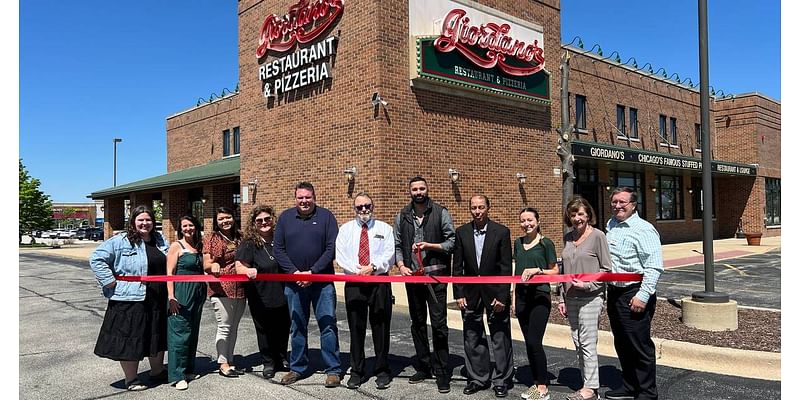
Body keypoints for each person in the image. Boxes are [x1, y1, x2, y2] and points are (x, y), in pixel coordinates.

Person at [89, 205, 169, 391]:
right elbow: (97, 258)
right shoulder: (120, 241)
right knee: (131, 338)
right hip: (130, 299)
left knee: (156, 334)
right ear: (133, 221)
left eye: (148, 220)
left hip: (157, 297)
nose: (145, 223)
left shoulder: (159, 239)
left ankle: (157, 371)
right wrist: (109, 282)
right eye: (140, 220)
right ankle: (131, 379)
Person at [273, 182, 342, 388]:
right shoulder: (285, 218)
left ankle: (333, 370)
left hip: (322, 283)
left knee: (327, 325)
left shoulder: (326, 217)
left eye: (308, 197)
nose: (304, 201)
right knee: (297, 326)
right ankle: (298, 368)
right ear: (295, 198)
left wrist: (313, 273)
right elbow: (278, 249)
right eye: (300, 197)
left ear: (314, 197)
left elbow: (331, 248)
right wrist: (295, 274)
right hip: (294, 284)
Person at [394, 176, 456, 393]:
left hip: (435, 278)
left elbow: (452, 242)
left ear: (427, 190)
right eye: (414, 189)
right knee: (417, 323)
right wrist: (401, 266)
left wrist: (431, 245)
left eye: (422, 188)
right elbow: (398, 244)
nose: (418, 192)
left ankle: (442, 371)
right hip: (413, 278)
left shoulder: (440, 212)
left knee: (439, 325)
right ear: (410, 192)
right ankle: (423, 365)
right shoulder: (402, 215)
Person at [603, 187, 663, 400]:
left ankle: (647, 392)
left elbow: (654, 267)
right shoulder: (611, 225)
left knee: (639, 345)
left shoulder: (643, 229)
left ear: (633, 205)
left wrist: (643, 296)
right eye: (614, 202)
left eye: (622, 202)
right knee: (622, 342)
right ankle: (629, 386)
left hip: (634, 293)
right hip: (615, 293)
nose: (617, 206)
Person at [452, 195, 513, 398]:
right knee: (472, 336)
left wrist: (503, 295)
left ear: (488, 208)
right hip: (470, 294)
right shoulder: (462, 232)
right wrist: (458, 292)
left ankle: (502, 380)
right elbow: (457, 265)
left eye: (481, 207)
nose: (477, 211)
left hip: (495, 293)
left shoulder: (502, 232)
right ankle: (478, 378)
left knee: (500, 337)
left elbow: (506, 267)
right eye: (474, 208)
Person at [335, 192, 396, 390]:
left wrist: (373, 267)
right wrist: (358, 271)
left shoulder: (385, 228)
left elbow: (390, 254)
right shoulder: (346, 229)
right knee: (356, 328)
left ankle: (382, 370)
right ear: (354, 209)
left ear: (373, 206)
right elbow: (341, 255)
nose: (364, 209)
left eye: (367, 205)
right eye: (359, 206)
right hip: (355, 283)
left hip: (379, 283)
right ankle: (357, 371)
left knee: (381, 327)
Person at [558, 197, 612, 400]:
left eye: (581, 214)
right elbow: (563, 270)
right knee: (578, 342)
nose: (577, 218)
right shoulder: (568, 237)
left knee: (588, 342)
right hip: (571, 297)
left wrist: (588, 285)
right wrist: (562, 298)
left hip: (591, 297)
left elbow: (607, 270)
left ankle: (591, 389)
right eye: (573, 214)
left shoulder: (598, 236)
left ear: (588, 215)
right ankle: (586, 384)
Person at [235, 205, 290, 380]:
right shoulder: (249, 243)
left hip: (284, 292)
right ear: (254, 223)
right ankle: (268, 362)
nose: (264, 223)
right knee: (264, 329)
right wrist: (247, 271)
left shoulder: (281, 239)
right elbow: (239, 266)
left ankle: (281, 358)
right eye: (259, 220)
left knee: (283, 327)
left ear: (273, 219)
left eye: (267, 219)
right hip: (261, 294)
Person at [511, 207, 559, 400]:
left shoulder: (546, 243)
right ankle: (536, 381)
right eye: (523, 220)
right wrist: (513, 299)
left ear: (537, 221)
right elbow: (516, 274)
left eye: (530, 220)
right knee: (529, 344)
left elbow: (555, 271)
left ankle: (542, 387)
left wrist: (538, 271)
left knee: (534, 341)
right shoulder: (518, 243)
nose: (526, 224)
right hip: (521, 298)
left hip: (540, 297)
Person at [202, 206, 245, 377]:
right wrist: (212, 265)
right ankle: (223, 363)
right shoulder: (212, 238)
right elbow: (205, 263)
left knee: (234, 327)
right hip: (221, 289)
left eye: (227, 217)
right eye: (221, 219)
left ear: (233, 218)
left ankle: (231, 360)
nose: (225, 221)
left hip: (240, 289)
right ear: (216, 221)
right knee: (224, 326)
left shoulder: (240, 236)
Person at [166, 214, 206, 390]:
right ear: (180, 229)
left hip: (198, 292)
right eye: (185, 226)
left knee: (192, 331)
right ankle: (177, 375)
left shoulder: (198, 246)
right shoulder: (177, 246)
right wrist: (171, 296)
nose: (188, 228)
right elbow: (169, 272)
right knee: (179, 333)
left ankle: (189, 369)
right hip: (181, 292)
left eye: (191, 225)